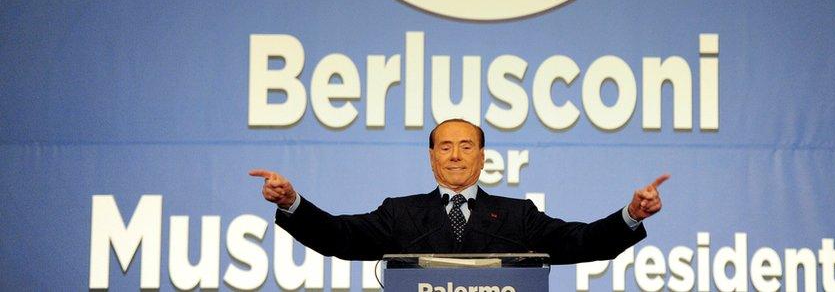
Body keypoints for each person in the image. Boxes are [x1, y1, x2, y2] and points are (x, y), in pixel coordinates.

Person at [250, 119, 669, 264]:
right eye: (445, 147)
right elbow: (338, 238)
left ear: (482, 157)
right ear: (431, 158)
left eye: (466, 146)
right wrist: (292, 203)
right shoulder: (400, 214)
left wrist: (631, 214)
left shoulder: (517, 215)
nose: (455, 155)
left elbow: (581, 243)